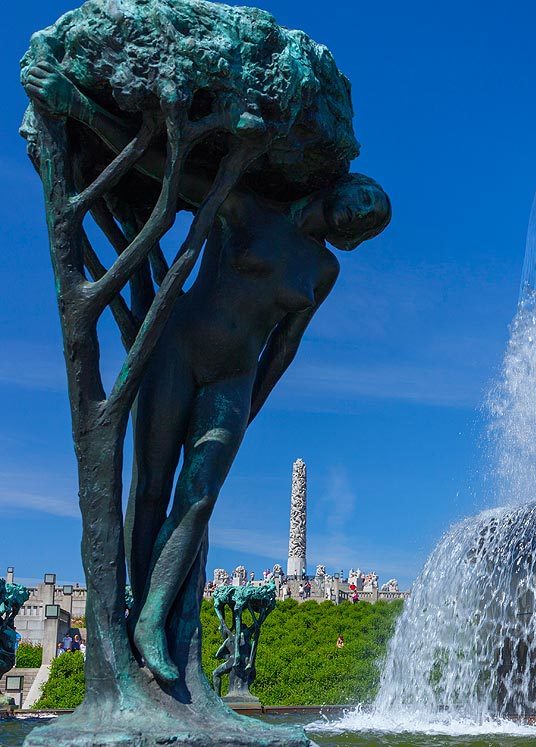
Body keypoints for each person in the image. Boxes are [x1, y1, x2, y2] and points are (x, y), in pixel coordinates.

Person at [23, 61, 391, 683]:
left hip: (234, 380)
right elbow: (169, 177)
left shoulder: (323, 271)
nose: (364, 212)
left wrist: (253, 401)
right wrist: (81, 112)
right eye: (367, 198)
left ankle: (153, 617)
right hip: (177, 349)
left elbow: (286, 345)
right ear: (344, 186)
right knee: (151, 487)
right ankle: (133, 613)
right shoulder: (252, 208)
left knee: (197, 500)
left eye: (373, 220)